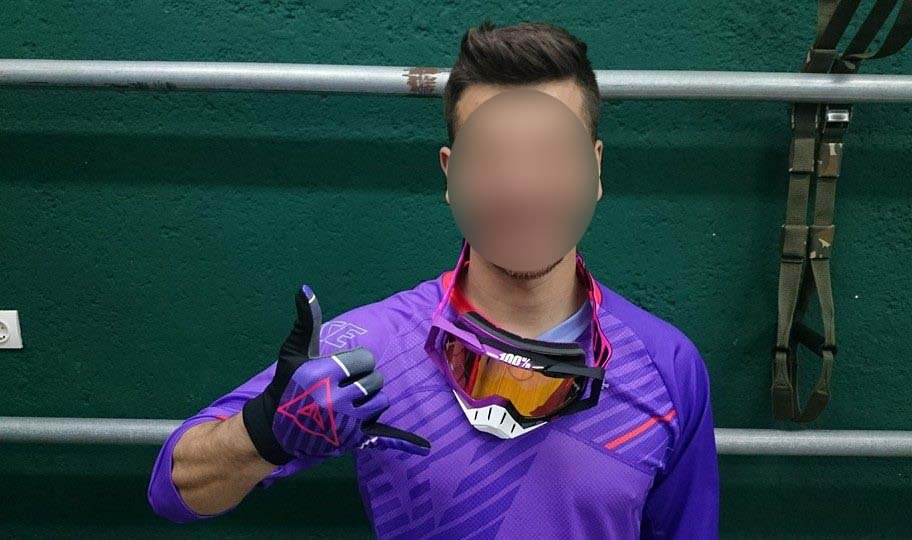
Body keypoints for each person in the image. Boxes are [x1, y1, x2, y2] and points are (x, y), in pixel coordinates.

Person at [148, 20, 719, 539]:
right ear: (451, 174)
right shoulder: (371, 349)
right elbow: (174, 488)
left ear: (594, 168)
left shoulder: (666, 367)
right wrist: (265, 433)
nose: (522, 187)